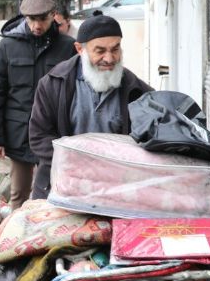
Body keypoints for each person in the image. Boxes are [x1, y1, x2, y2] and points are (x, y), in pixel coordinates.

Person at [29, 15, 154, 199]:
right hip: (61, 186)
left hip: (116, 191)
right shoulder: (53, 84)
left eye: (115, 49)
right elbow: (39, 137)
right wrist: (81, 164)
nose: (109, 58)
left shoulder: (137, 90)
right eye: (100, 51)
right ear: (80, 49)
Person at [0, 0, 76, 208]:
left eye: (42, 19)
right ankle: (17, 231)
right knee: (19, 194)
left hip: (55, 134)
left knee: (55, 194)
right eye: (31, 19)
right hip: (18, 134)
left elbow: (77, 93)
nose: (36, 25)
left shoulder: (67, 47)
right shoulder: (8, 45)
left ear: (53, 14)